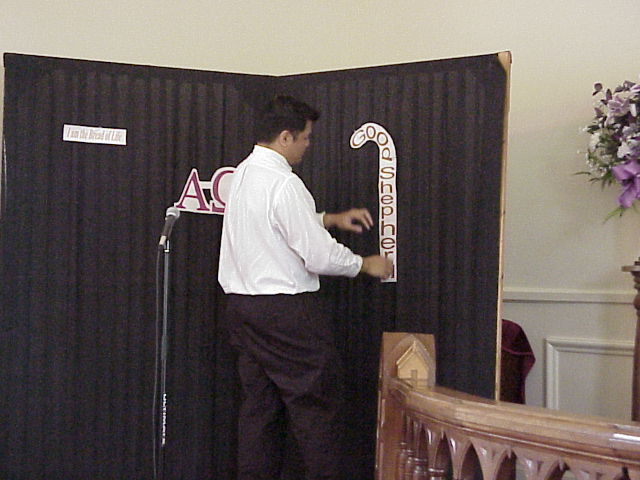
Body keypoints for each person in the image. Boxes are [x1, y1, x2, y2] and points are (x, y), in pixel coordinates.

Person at [218, 95, 393, 480]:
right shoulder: (285, 183)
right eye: (306, 137)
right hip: (286, 314)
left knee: (259, 412)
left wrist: (329, 218)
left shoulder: (243, 174)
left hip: (243, 310)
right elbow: (318, 256)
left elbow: (272, 224)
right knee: (317, 411)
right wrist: (365, 264)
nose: (308, 145)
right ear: (285, 137)